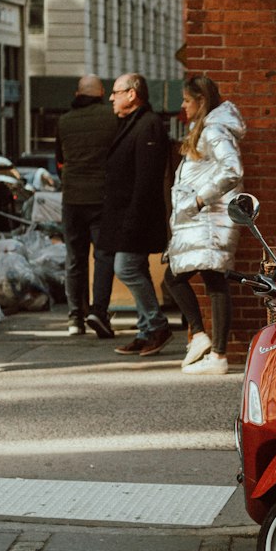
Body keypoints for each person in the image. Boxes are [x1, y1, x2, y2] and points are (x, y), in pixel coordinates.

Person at [164, 74, 245, 377]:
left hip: (210, 217)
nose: (182, 106)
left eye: (186, 100)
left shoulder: (213, 130)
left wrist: (199, 200)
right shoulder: (206, 129)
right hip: (201, 218)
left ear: (201, 100)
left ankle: (217, 353)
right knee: (181, 276)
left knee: (211, 280)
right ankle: (202, 340)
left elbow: (232, 169)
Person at [100, 73, 172, 357]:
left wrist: (132, 221)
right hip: (127, 217)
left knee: (126, 268)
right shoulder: (132, 123)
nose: (111, 97)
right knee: (136, 268)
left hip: (137, 218)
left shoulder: (148, 125)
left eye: (116, 92)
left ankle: (157, 324)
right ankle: (145, 331)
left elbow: (146, 180)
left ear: (132, 94)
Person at [55, 74, 119, 338]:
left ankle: (74, 317)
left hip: (72, 198)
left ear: (77, 93)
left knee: (74, 259)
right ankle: (98, 311)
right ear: (101, 92)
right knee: (103, 256)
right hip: (102, 197)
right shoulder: (112, 118)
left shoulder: (63, 121)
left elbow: (59, 159)